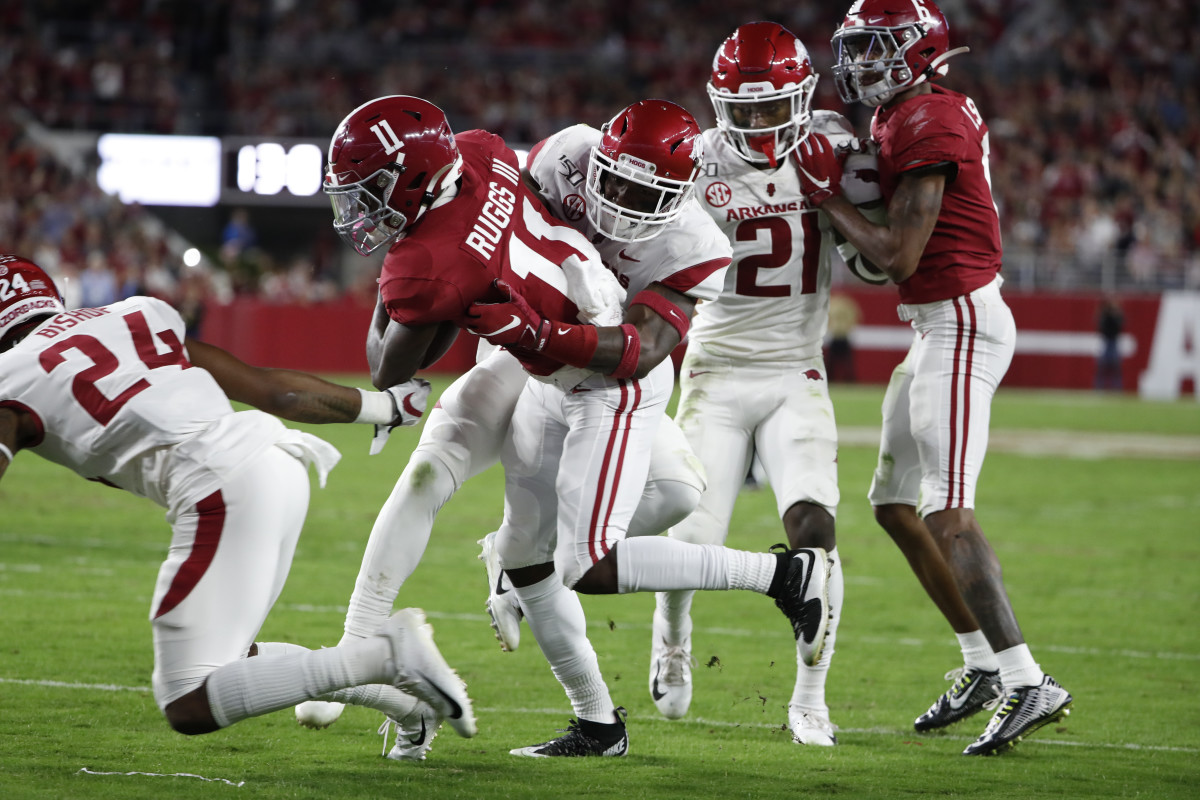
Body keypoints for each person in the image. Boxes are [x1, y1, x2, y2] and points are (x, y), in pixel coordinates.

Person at [307, 95, 832, 759]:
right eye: (610, 180)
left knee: (632, 526)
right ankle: (593, 721)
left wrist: (471, 299)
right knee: (476, 511)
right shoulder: (542, 155)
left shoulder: (692, 242)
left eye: (642, 193)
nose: (616, 200)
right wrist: (463, 285)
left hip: (607, 379)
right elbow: (483, 242)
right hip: (529, 355)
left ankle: (783, 578)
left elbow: (635, 349)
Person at [0, 253, 476, 744]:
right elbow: (273, 392)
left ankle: (387, 654)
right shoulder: (132, 315)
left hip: (220, 489)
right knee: (227, 659)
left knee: (187, 701)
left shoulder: (10, 375)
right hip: (280, 462)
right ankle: (407, 706)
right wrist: (387, 406)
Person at [795, 0, 1073, 756]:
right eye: (855, 46)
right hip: (934, 325)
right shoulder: (906, 112)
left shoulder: (928, 120)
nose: (859, 62)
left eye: (878, 46)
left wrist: (824, 197)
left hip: (959, 319)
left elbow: (899, 256)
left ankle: (1027, 679)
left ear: (920, 49)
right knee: (893, 505)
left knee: (949, 511)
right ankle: (982, 664)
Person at [647, 21, 884, 748]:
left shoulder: (833, 146)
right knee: (693, 536)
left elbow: (877, 265)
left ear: (801, 97)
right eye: (740, 109)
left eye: (768, 107)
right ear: (719, 104)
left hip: (795, 368)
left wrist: (844, 200)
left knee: (814, 527)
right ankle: (671, 633)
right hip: (714, 368)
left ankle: (810, 696)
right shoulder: (693, 159)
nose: (754, 122)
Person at [1095, 294, 1124, 390]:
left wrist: (1115, 315)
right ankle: (1099, 386)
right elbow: (1101, 326)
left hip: (1114, 341)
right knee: (1102, 366)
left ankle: (1117, 387)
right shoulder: (1104, 315)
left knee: (1115, 366)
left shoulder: (1117, 315)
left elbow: (1120, 325)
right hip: (1106, 341)